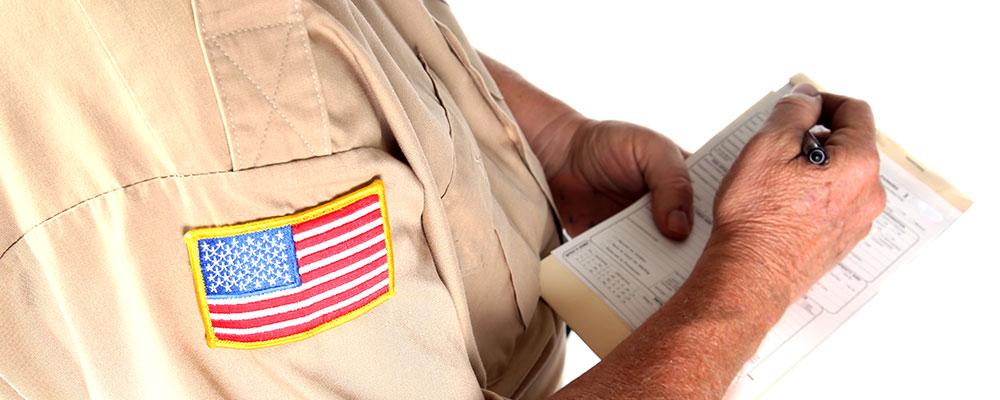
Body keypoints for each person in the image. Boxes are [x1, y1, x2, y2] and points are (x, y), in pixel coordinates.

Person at [0, 1, 884, 398]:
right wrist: (757, 270)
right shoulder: (224, 164)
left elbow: (312, 42)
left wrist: (532, 138)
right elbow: (238, 109)